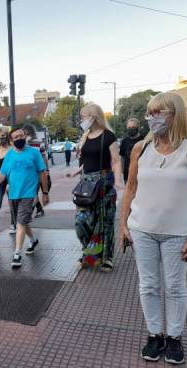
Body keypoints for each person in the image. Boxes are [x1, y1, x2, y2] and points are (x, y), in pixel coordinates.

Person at [119, 92, 187, 365]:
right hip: (142, 228)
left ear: (175, 115)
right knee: (148, 285)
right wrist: (123, 224)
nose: (151, 118)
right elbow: (131, 188)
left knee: (174, 285)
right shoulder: (140, 149)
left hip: (177, 232)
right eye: (150, 112)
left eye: (159, 112)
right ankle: (154, 334)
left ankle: (174, 337)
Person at [66, 103, 123, 272]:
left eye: (84, 116)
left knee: (105, 221)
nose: (82, 120)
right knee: (81, 221)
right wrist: (76, 171)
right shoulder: (85, 136)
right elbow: (85, 162)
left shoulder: (109, 136)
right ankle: (89, 251)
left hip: (104, 181)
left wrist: (118, 180)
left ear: (94, 116)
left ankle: (107, 257)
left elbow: (116, 160)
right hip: (86, 183)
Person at [0, 126, 49, 267]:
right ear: (11, 141)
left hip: (28, 194)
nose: (19, 139)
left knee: (20, 223)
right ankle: (34, 240)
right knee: (22, 221)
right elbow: (3, 174)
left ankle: (17, 253)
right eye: (16, 137)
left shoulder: (34, 153)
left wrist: (45, 193)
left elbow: (42, 173)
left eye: (21, 136)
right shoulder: (10, 155)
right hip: (13, 194)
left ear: (25, 136)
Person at [119, 118, 145, 183]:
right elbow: (122, 157)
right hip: (127, 175)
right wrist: (122, 171)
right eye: (129, 127)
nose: (131, 129)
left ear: (138, 128)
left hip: (140, 174)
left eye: (133, 127)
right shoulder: (124, 141)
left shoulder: (144, 140)